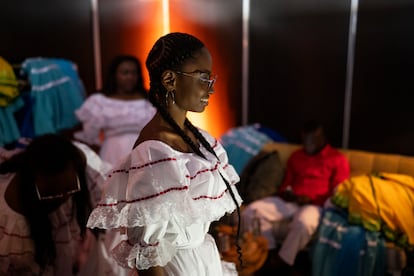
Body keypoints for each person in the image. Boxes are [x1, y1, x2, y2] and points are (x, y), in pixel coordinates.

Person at [86, 32, 243, 276]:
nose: (210, 89)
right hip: (178, 267)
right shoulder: (154, 153)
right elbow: (147, 256)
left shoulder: (198, 137)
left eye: (211, 78)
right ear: (170, 80)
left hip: (203, 259)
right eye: (203, 78)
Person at [242, 120, 350, 274]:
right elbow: (286, 184)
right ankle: (269, 253)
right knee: (251, 212)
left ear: (322, 138)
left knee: (303, 223)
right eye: (305, 139)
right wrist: (286, 193)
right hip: (291, 202)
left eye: (312, 140)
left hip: (316, 205)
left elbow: (338, 194)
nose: (308, 144)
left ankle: (283, 261)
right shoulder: (296, 156)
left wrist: (312, 199)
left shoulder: (337, 159)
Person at [0, 134, 116, 275]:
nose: (63, 197)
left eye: (69, 189)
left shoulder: (84, 171)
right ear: (30, 183)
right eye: (51, 192)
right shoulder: (8, 219)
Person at [74, 55, 156, 166]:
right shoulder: (99, 101)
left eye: (134, 73)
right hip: (111, 155)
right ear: (114, 75)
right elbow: (90, 137)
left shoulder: (150, 100)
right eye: (125, 73)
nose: (130, 77)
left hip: (145, 154)